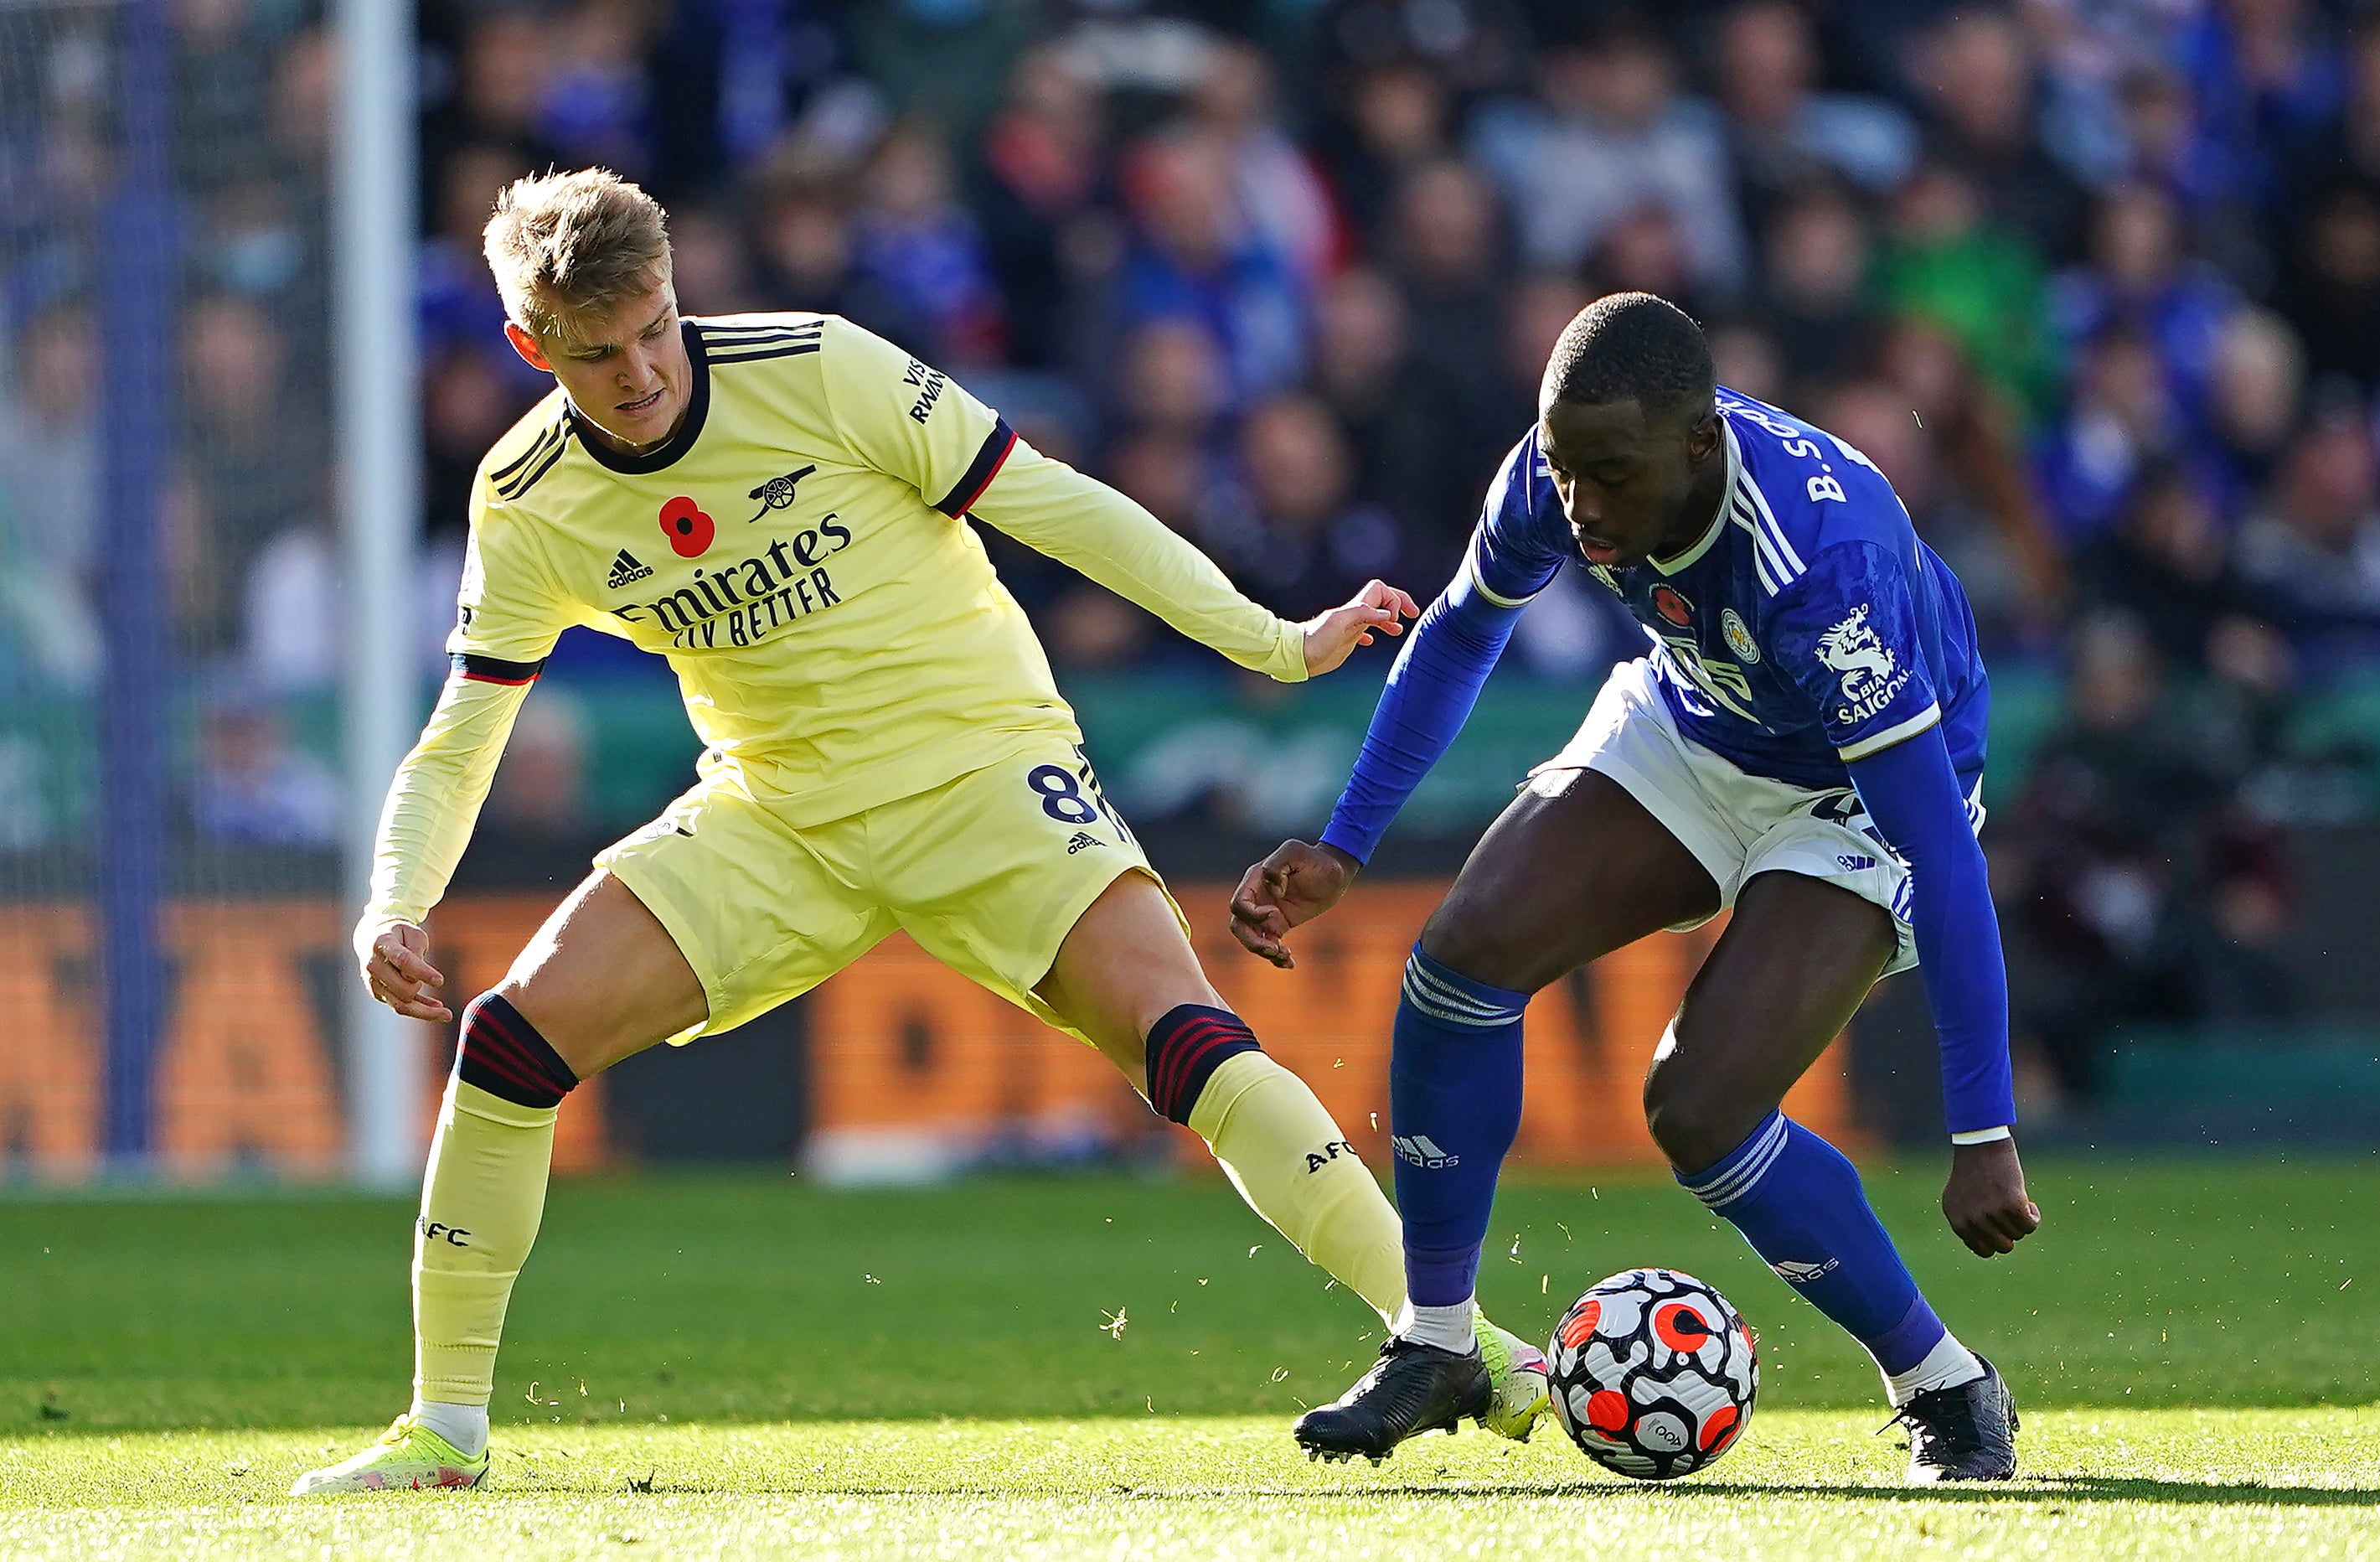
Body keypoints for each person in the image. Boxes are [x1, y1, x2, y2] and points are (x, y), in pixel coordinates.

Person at [293, 169, 1544, 1496]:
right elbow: (463, 729)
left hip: (985, 774)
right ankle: (445, 1430)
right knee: (506, 1043)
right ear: (530, 349)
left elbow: (1055, 505)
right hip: (777, 813)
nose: (643, 372)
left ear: (676, 296)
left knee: (1184, 1039)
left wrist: (1272, 640)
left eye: (655, 328)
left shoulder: (819, 366)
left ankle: (1463, 1342)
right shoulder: (527, 494)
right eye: (598, 354)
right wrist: (392, 903)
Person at [1231, 293, 2035, 1481]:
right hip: (1699, 719)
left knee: (1698, 1112)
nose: (1582, 508)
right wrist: (1347, 845)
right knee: (1461, 956)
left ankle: (1945, 1384)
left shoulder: (1826, 566)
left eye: (1609, 476)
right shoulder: (1557, 469)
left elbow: (1942, 851)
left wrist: (1984, 1128)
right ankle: (1438, 1342)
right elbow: (1460, 631)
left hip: (1857, 796)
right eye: (1565, 473)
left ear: (1698, 445)